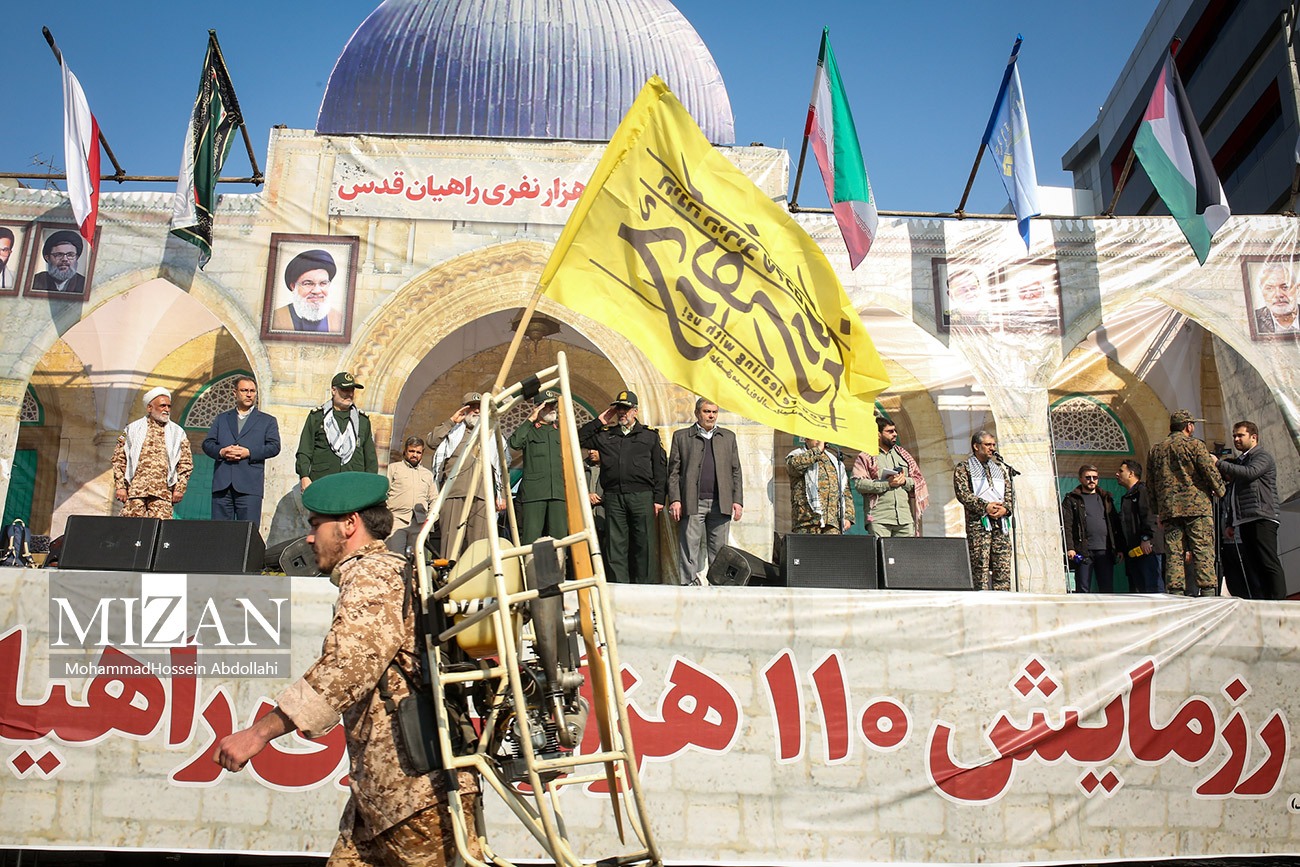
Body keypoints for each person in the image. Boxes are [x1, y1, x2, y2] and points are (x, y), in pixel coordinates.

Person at [213, 472, 479, 866]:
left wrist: (258, 733)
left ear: (349, 524)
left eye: (316, 525)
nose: (309, 538)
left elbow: (348, 667)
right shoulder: (385, 571)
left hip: (415, 797)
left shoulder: (373, 574)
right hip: (381, 796)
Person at [579, 390, 667, 584]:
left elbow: (660, 468)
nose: (621, 412)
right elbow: (579, 438)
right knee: (615, 545)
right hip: (614, 496)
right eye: (618, 408)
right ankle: (619, 587)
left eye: (626, 409)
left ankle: (646, 587)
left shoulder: (649, 435)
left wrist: (659, 499)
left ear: (635, 411)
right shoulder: (606, 435)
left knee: (644, 544)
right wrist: (601, 420)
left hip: (641, 495)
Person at [1146, 409, 1225, 596]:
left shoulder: (1156, 450)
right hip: (1197, 508)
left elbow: (1150, 483)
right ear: (1189, 426)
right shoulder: (1195, 445)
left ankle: (1175, 591)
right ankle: (1207, 590)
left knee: (1174, 552)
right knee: (1202, 548)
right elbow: (1209, 470)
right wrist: (1221, 490)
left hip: (1170, 509)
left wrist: (1157, 511)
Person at [667, 398, 744, 586]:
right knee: (689, 546)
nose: (711, 416)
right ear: (697, 413)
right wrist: (675, 499)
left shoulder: (728, 437)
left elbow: (736, 471)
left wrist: (737, 501)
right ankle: (688, 583)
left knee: (719, 549)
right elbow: (673, 472)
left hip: (721, 502)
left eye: (714, 412)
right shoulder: (682, 437)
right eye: (706, 411)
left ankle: (718, 585)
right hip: (692, 501)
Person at [430, 393, 506, 560]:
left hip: (482, 496)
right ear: (464, 410)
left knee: (479, 548)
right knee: (450, 546)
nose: (477, 411)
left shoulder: (492, 434)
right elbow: (432, 441)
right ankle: (449, 575)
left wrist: (501, 496)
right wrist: (452, 421)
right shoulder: (453, 432)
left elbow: (501, 466)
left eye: (480, 407)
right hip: (454, 494)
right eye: (472, 407)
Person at [1217, 420, 1286, 599]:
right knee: (1254, 564)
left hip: (1262, 516)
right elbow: (1234, 494)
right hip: (1245, 519)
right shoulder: (1242, 461)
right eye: (1234, 436)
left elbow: (1250, 473)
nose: (1236, 439)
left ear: (1253, 437)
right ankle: (1265, 600)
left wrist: (1219, 463)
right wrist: (1231, 522)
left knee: (1267, 561)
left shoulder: (1261, 456)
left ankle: (1279, 600)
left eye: (1241, 435)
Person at [201, 376, 281, 522]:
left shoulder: (267, 420)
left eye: (252, 391)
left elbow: (274, 447)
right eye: (244, 390)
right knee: (219, 530)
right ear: (235, 393)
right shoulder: (222, 418)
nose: (249, 394)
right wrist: (222, 452)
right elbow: (207, 444)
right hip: (223, 485)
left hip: (249, 485)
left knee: (247, 530)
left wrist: (249, 452)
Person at [111, 386, 194, 519]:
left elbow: (186, 463)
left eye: (169, 406)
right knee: (131, 527)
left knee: (161, 528)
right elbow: (118, 459)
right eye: (162, 406)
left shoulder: (178, 432)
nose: (166, 409)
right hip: (135, 491)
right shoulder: (132, 429)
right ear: (150, 408)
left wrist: (179, 488)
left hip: (163, 493)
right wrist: (120, 486)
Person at [953, 431, 1014, 591]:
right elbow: (963, 494)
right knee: (980, 567)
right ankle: (981, 600)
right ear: (976, 446)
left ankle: (1003, 599)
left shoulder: (999, 469)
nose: (992, 448)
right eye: (988, 445)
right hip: (979, 526)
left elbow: (1009, 493)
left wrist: (1005, 509)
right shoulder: (964, 468)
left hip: (1000, 525)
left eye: (993, 445)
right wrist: (985, 506)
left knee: (1003, 567)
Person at [296, 371, 378, 490]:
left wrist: (370, 485)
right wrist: (304, 476)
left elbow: (370, 458)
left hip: (353, 484)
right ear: (334, 390)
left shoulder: (362, 421)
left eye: (352, 390)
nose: (350, 394)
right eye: (345, 390)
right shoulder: (317, 417)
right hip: (323, 482)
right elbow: (305, 450)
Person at [507, 390, 567, 545]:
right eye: (547, 406)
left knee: (560, 539)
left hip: (558, 492)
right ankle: (530, 562)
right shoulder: (530, 430)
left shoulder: (560, 432)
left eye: (553, 405)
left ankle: (559, 563)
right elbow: (514, 443)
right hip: (535, 493)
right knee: (531, 538)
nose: (552, 409)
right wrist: (530, 419)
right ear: (538, 408)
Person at [852, 416, 928, 537]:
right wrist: (887, 484)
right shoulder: (866, 456)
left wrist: (904, 481)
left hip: (904, 518)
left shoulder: (902, 455)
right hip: (878, 518)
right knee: (882, 549)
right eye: (890, 431)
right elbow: (859, 484)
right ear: (878, 434)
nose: (895, 434)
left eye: (895, 431)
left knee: (906, 550)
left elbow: (919, 481)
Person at [1061, 464, 1122, 593]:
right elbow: (1067, 525)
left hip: (1105, 551)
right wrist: (1070, 548)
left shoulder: (1106, 498)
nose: (1092, 480)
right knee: (1083, 590)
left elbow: (1115, 524)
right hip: (1083, 551)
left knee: (1107, 589)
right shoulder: (1072, 499)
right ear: (1080, 479)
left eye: (1095, 477)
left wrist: (1119, 548)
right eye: (1088, 477)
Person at [786, 438, 853, 534]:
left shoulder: (833, 460)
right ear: (806, 439)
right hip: (807, 521)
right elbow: (794, 467)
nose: (819, 440)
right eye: (816, 437)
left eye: (821, 437)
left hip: (832, 523)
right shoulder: (796, 455)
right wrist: (817, 450)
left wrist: (847, 516)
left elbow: (845, 490)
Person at [270, 249, 344, 333]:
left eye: (323, 283)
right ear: (293, 286)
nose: (317, 291)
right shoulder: (274, 319)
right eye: (308, 283)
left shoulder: (340, 320)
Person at [1116, 459, 1163, 593]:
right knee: (1139, 591)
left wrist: (1146, 538)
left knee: (1153, 587)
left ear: (1131, 474)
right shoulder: (1127, 497)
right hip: (1134, 551)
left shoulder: (1143, 491)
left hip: (1148, 550)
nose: (1117, 474)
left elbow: (1149, 516)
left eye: (1121, 471)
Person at [385, 436, 436, 535]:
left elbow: (434, 499)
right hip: (396, 520)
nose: (414, 455)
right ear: (405, 451)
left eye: (418, 452)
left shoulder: (428, 474)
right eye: (411, 451)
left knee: (418, 546)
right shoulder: (393, 469)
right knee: (395, 545)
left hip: (420, 522)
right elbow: (384, 493)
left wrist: (430, 519)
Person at [30, 230, 87, 295]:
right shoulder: (34, 281)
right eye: (59, 255)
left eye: (70, 255)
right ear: (47, 258)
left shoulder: (85, 284)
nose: (65, 259)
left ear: (76, 258)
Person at [1252, 263, 1299, 336]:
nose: (1278, 294)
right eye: (1269, 288)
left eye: (1285, 287)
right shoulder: (1253, 319)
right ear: (1262, 291)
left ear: (1297, 289)